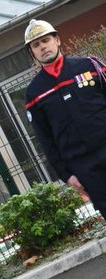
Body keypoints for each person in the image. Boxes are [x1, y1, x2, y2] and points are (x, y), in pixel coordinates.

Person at [24, 19, 106, 213]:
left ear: (57, 40)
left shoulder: (89, 66)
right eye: (36, 45)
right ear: (32, 52)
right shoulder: (34, 92)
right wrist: (66, 175)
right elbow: (45, 140)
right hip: (84, 167)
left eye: (46, 40)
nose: (43, 47)